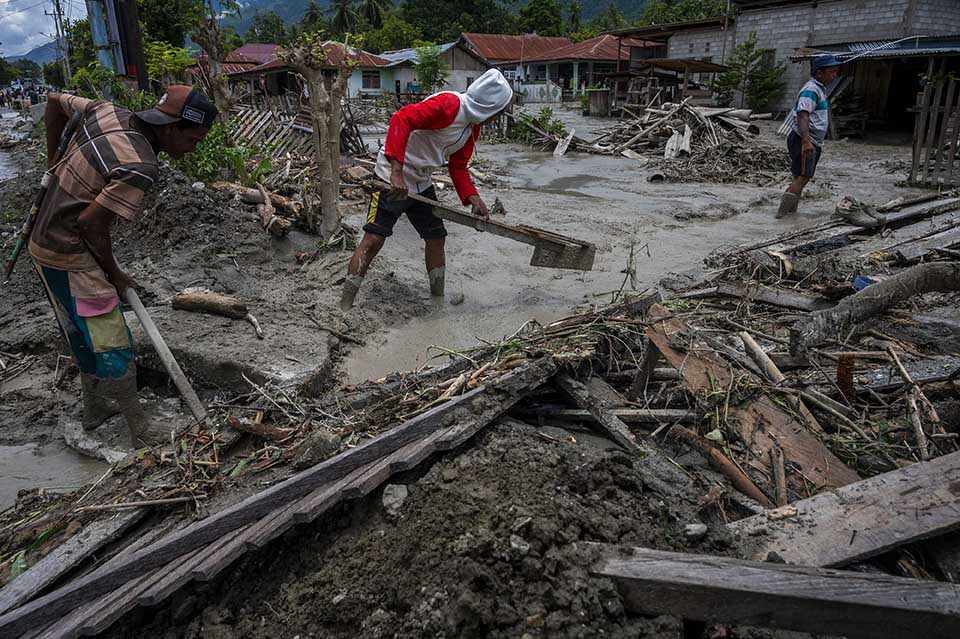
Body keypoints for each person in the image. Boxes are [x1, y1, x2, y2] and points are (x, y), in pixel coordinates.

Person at [30, 85, 217, 447]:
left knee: (78, 329)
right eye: (193, 139)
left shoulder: (106, 111)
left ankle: (94, 408)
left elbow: (54, 102)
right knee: (112, 337)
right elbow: (90, 224)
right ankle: (140, 431)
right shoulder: (139, 165)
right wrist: (114, 274)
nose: (195, 148)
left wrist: (53, 161)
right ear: (170, 127)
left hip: (42, 243)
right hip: (70, 251)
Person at [340, 68, 514, 310]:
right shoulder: (450, 105)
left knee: (436, 237)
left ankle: (437, 302)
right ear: (490, 106)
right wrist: (396, 173)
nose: (497, 117)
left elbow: (459, 166)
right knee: (374, 239)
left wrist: (473, 198)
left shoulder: (471, 127)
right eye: (499, 111)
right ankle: (345, 306)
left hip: (421, 181)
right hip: (391, 175)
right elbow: (402, 118)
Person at [777, 54, 843, 218]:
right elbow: (803, 115)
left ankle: (790, 213)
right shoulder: (811, 89)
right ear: (819, 73)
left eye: (835, 71)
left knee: (799, 177)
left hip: (807, 139)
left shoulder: (818, 88)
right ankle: (781, 216)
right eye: (831, 72)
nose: (834, 75)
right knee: (803, 176)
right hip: (805, 140)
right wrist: (806, 141)